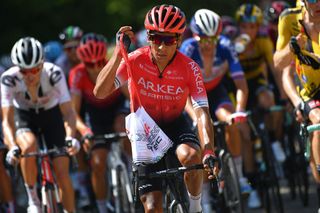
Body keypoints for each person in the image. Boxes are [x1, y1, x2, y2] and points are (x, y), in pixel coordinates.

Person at [93, 4, 218, 213]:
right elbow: (100, 92)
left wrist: (208, 150)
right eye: (155, 38)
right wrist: (118, 54)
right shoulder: (134, 61)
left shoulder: (189, 68)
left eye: (168, 40)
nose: (161, 47)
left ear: (178, 40)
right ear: (148, 37)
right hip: (145, 130)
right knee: (152, 207)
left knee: (191, 156)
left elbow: (202, 113)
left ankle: (196, 207)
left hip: (176, 124)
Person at [179, 9, 251, 212]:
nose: (209, 44)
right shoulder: (188, 49)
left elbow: (241, 86)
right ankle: (205, 201)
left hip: (217, 93)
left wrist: (239, 110)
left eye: (213, 39)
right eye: (203, 39)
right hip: (193, 96)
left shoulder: (226, 47)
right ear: (195, 35)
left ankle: (239, 175)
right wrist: (195, 118)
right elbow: (182, 92)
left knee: (231, 121)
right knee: (200, 141)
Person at [1, 37, 80, 213]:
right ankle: (33, 199)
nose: (29, 76)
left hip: (51, 116)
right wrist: (12, 146)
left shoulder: (54, 73)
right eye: (24, 71)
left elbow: (68, 112)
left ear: (43, 64)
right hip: (25, 117)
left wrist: (70, 137)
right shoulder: (9, 79)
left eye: (35, 69)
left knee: (62, 172)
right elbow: (6, 120)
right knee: (28, 147)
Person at [69, 32, 129, 212]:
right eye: (89, 64)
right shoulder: (77, 74)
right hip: (95, 115)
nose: (95, 68)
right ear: (82, 61)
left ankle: (134, 164)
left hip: (118, 107)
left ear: (105, 57)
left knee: (122, 127)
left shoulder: (114, 65)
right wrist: (85, 131)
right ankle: (102, 208)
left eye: (99, 62)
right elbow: (73, 112)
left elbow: (132, 97)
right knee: (97, 163)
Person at [235, 3, 287, 208]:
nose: (249, 31)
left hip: (256, 81)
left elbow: (274, 69)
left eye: (253, 26)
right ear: (240, 27)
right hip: (238, 86)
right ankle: (253, 187)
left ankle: (273, 141)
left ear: (258, 27)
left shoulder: (264, 40)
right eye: (245, 27)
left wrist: (283, 93)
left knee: (269, 100)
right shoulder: (233, 43)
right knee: (245, 135)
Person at [273, 0, 320, 206]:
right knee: (318, 122)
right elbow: (278, 63)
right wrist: (292, 48)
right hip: (310, 92)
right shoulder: (289, 19)